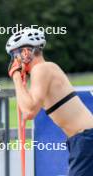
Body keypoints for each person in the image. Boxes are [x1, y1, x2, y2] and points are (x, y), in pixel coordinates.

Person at [6, 28, 93, 176]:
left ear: (26, 53)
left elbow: (29, 112)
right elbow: (28, 105)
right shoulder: (46, 69)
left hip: (85, 139)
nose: (14, 61)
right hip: (82, 139)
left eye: (15, 55)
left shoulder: (41, 69)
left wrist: (15, 75)